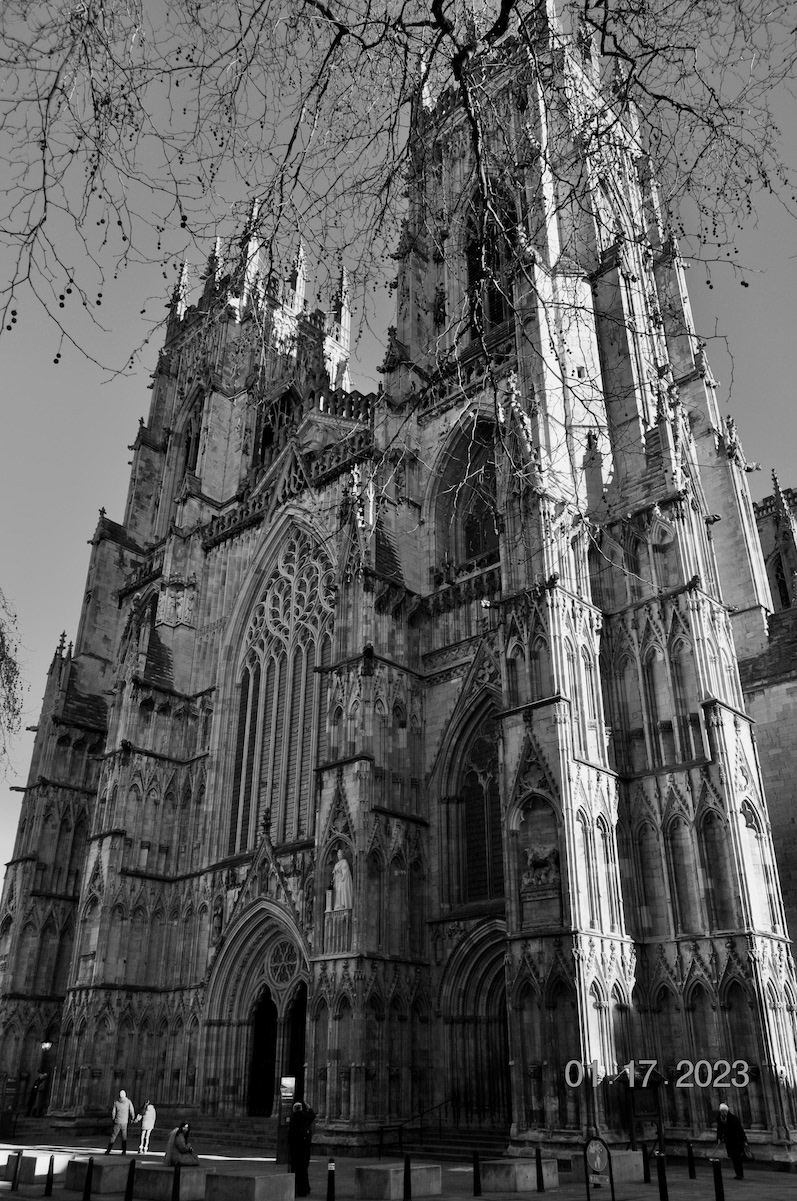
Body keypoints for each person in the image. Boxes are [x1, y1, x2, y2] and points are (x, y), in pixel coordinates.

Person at [287, 1101, 315, 1197]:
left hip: (295, 1150)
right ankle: (304, 1189)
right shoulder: (304, 1117)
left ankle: (297, 1189)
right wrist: (309, 1107)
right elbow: (312, 1115)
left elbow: (290, 1136)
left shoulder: (293, 1119)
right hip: (304, 1149)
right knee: (303, 1170)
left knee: (296, 1170)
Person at [716, 1102, 747, 1180]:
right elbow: (719, 1130)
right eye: (722, 1112)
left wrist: (744, 1140)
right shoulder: (720, 1119)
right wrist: (719, 1138)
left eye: (724, 1111)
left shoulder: (733, 1119)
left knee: (737, 1157)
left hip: (737, 1141)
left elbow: (740, 1130)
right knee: (733, 1157)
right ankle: (737, 1173)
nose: (723, 1113)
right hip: (729, 1141)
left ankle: (740, 1173)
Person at [105, 1089, 136, 1155]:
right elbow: (132, 1111)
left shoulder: (116, 1102)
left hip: (117, 1121)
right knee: (124, 1136)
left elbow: (113, 1112)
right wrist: (133, 1118)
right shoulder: (128, 1102)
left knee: (113, 1136)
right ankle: (124, 1151)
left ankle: (108, 1150)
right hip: (125, 1122)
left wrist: (113, 1119)